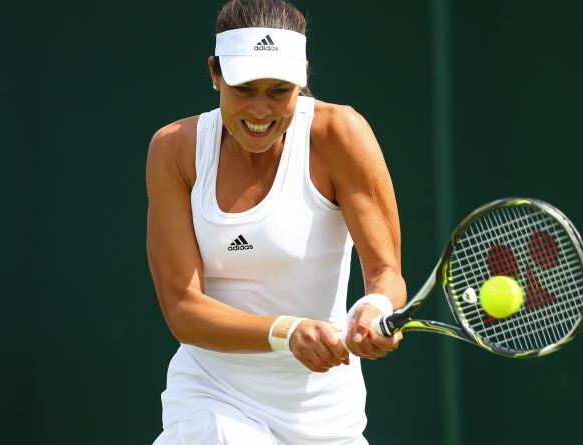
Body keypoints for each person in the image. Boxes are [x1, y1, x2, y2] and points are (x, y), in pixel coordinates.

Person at [145, 1, 406, 443]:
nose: (261, 111)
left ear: (302, 77)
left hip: (327, 421)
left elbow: (386, 273)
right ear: (215, 73)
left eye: (280, 91)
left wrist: (375, 309)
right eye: (245, 88)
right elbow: (182, 308)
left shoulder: (339, 134)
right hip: (213, 400)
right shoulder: (175, 150)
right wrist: (286, 331)